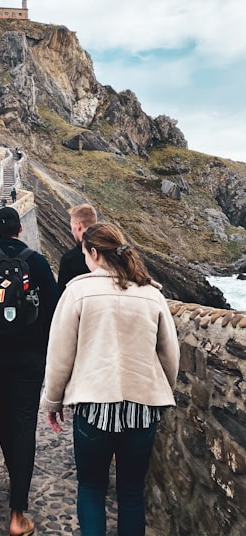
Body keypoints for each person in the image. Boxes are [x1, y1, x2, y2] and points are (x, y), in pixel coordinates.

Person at [41, 223, 180, 536]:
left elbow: (60, 355)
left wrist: (52, 401)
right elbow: (170, 355)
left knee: (91, 488)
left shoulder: (77, 292)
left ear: (94, 254)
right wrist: (161, 393)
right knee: (131, 492)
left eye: (86, 255)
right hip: (142, 407)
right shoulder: (151, 294)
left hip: (93, 406)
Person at [0, 207, 59, 536]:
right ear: (19, 229)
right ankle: (18, 513)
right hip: (31, 358)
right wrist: (41, 341)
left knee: (5, 417)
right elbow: (54, 304)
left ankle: (14, 474)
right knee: (23, 423)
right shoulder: (37, 262)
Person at [57, 203, 97, 295]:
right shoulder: (108, 252)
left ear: (78, 226)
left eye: (72, 227)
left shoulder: (69, 259)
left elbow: (62, 295)